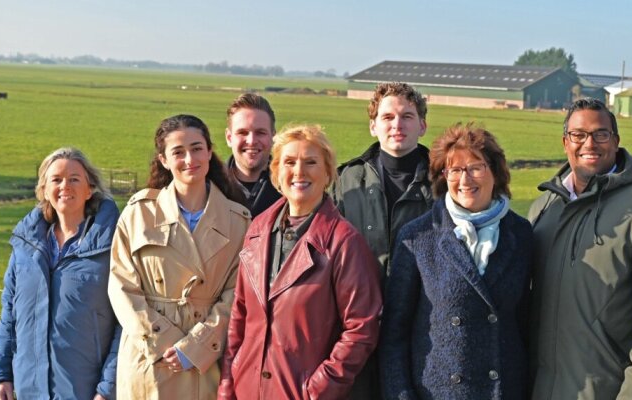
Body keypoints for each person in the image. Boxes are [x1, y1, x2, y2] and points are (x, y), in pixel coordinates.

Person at [528, 98, 632, 399]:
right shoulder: (543, 209)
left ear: (615, 141)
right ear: (565, 142)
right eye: (578, 134)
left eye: (600, 134)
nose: (590, 143)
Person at [218, 124, 382, 399]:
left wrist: (318, 389)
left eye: (311, 162)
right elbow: (240, 315)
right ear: (276, 172)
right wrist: (228, 384)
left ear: (328, 172)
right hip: (247, 389)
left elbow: (362, 328)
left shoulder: (343, 242)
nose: (298, 171)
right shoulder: (258, 228)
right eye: (289, 162)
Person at [380, 123, 533, 399]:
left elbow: (528, 325)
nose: (465, 180)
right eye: (454, 170)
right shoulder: (418, 236)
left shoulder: (521, 234)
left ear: (495, 172)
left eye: (475, 167)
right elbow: (394, 334)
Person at [109, 114, 250, 399]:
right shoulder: (138, 213)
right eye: (178, 152)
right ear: (163, 159)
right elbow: (121, 287)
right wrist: (162, 340)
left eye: (197, 148)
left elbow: (238, 294)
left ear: (210, 152)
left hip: (206, 362)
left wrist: (196, 347)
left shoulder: (239, 221)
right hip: (150, 359)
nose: (190, 159)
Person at [0, 147, 120, 400]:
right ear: (44, 190)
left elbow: (125, 323)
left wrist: (108, 388)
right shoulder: (25, 247)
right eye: (56, 180)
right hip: (29, 388)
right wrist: (2, 373)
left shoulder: (113, 246)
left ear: (90, 189)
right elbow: (9, 313)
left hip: (86, 390)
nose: (64, 186)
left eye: (74, 179)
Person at [332, 81, 434, 398]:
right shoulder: (346, 180)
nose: (397, 124)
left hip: (424, 326)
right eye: (388, 117)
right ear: (373, 125)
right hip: (357, 326)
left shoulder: (444, 181)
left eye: (407, 116)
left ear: (422, 125)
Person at [224, 93, 282, 219]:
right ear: (229, 138)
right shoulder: (208, 186)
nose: (251, 141)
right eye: (242, 132)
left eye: (260, 133)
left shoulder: (291, 188)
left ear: (273, 136)